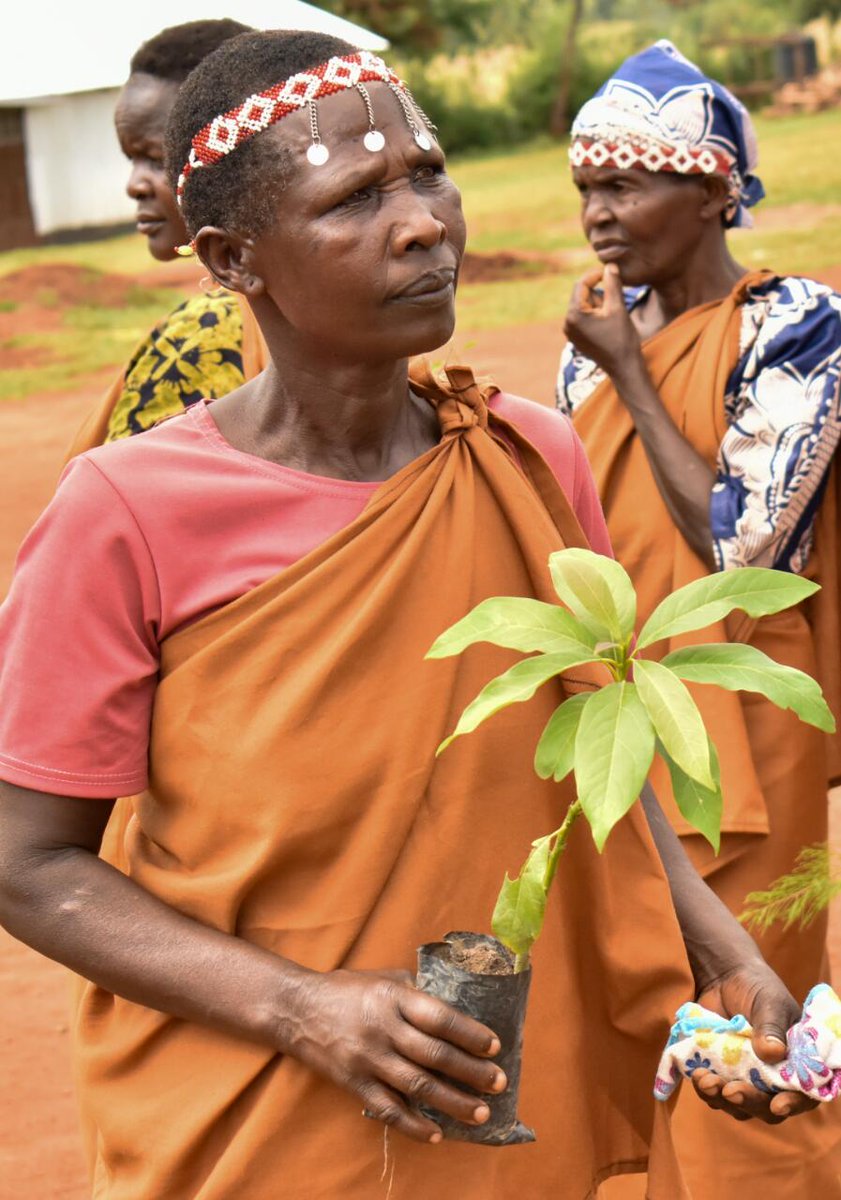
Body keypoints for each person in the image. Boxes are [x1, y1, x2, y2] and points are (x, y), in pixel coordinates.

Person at [0, 31, 820, 1199]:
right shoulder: (125, 512)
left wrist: (720, 949)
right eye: (354, 199)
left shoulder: (528, 453)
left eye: (426, 171)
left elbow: (601, 747)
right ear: (234, 258)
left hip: (488, 1091)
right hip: (255, 1107)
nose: (425, 221)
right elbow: (28, 864)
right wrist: (303, 1010)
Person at [557, 39, 841, 1197]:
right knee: (639, 985)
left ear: (714, 188)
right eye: (584, 187)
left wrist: (627, 370)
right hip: (623, 708)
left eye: (622, 184)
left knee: (752, 1007)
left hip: (748, 707)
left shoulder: (799, 327)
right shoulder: (594, 338)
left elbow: (741, 542)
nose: (596, 214)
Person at [67, 18, 267, 456]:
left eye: (156, 158)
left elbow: (117, 510)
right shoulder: (324, 303)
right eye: (131, 158)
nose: (134, 185)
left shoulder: (204, 335)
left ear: (238, 156)